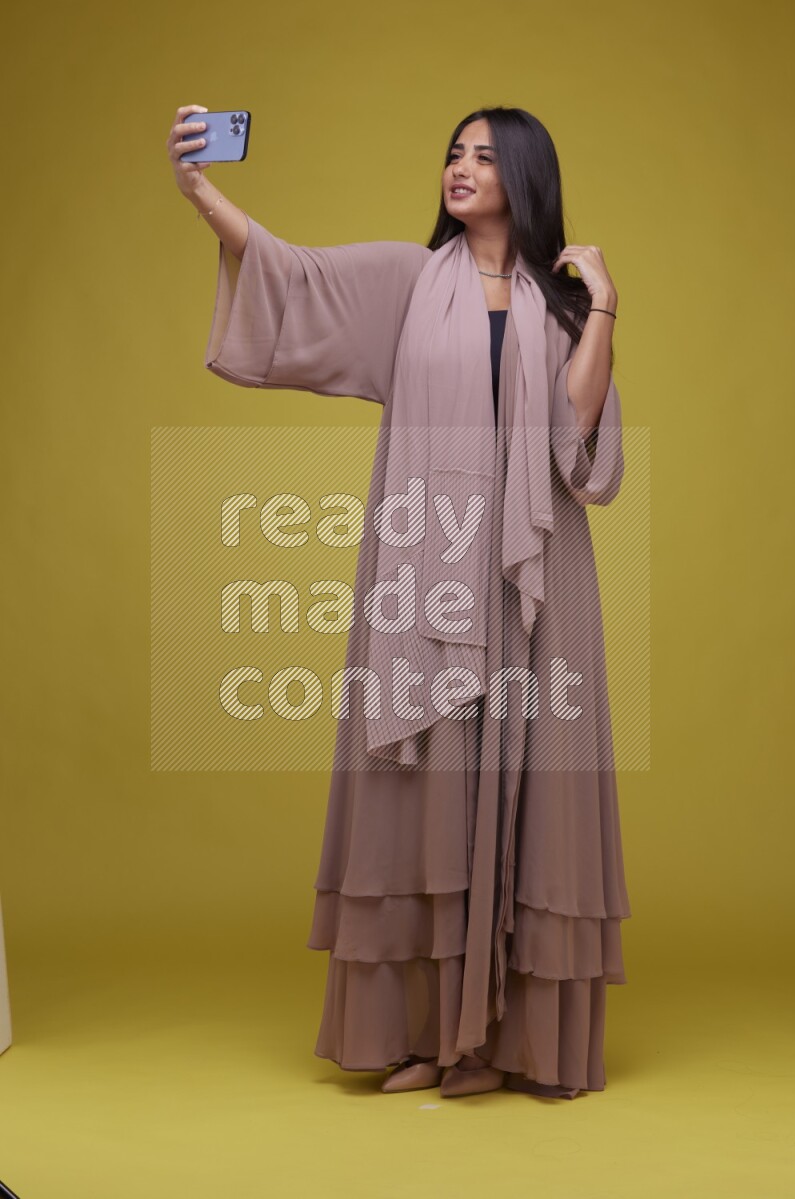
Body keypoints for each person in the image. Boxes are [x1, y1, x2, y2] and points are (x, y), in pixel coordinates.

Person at [166, 103, 632, 1100]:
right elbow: (285, 272)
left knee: (537, 787)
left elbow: (577, 438)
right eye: (453, 152)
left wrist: (601, 305)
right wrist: (201, 191)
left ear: (524, 175)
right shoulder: (407, 282)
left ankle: (509, 1043)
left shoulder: (559, 305)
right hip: (428, 567)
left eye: (483, 156)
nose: (460, 168)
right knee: (422, 794)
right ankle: (432, 1037)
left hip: (539, 579)